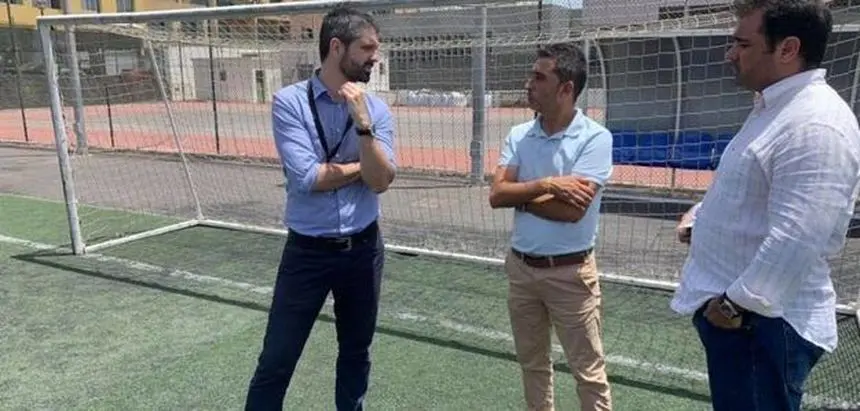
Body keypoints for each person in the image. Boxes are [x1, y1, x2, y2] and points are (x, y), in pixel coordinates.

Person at [671, 1, 860, 410]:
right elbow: (751, 188)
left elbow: (799, 236)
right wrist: (701, 218)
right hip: (746, 320)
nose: (730, 54)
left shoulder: (815, 123)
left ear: (788, 49)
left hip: (761, 325)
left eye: (742, 43)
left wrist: (733, 306)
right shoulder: (776, 109)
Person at [244, 6, 395, 411]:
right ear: (335, 47)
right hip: (307, 253)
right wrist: (361, 165)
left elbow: (381, 180)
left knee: (355, 355)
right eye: (367, 47)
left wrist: (363, 126)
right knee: (277, 358)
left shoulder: (376, 110)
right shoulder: (288, 102)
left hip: (363, 251)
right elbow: (308, 178)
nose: (374, 57)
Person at [489, 42, 614, 411]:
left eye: (539, 77)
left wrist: (522, 198)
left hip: (570, 274)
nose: (529, 83)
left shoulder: (595, 138)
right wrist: (547, 185)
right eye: (532, 74)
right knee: (533, 365)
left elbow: (572, 211)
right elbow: (497, 194)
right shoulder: (519, 134)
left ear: (566, 89)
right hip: (522, 268)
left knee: (588, 372)